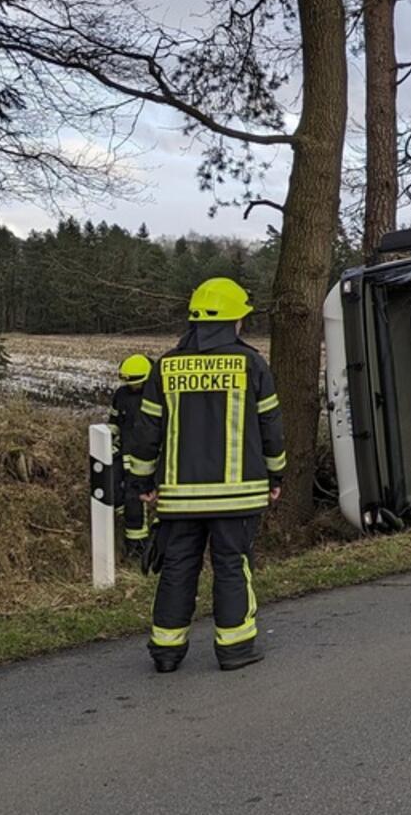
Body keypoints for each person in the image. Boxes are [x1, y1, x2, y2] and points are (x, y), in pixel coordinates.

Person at [128, 277, 286, 672]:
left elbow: (146, 432)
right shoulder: (251, 364)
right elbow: (271, 425)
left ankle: (166, 652)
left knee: (178, 566)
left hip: (181, 498)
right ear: (235, 321)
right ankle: (235, 650)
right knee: (233, 564)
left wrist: (143, 483)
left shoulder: (165, 366)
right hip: (239, 494)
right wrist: (277, 475)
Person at [110, 354, 155, 560]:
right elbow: (114, 421)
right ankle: (123, 516)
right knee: (108, 486)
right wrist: (108, 441)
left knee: (134, 501)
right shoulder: (121, 394)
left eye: (135, 383)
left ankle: (138, 549)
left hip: (144, 459)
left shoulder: (155, 395)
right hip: (122, 453)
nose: (131, 387)